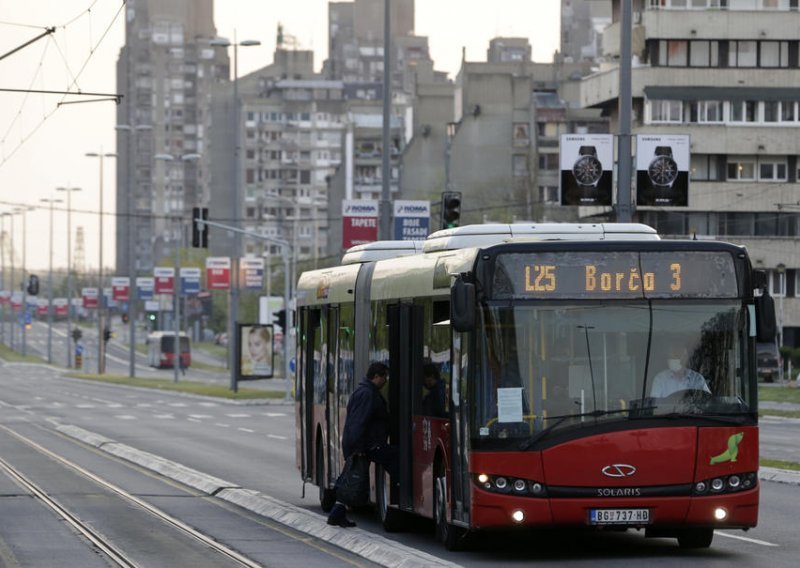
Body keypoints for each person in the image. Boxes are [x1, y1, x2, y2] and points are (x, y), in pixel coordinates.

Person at [327, 361, 398, 528]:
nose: (385, 381)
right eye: (384, 377)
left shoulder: (364, 391)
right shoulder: (367, 394)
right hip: (366, 445)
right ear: (376, 376)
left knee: (352, 480)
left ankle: (336, 513)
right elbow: (358, 423)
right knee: (396, 460)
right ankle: (400, 494)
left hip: (364, 444)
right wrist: (358, 448)